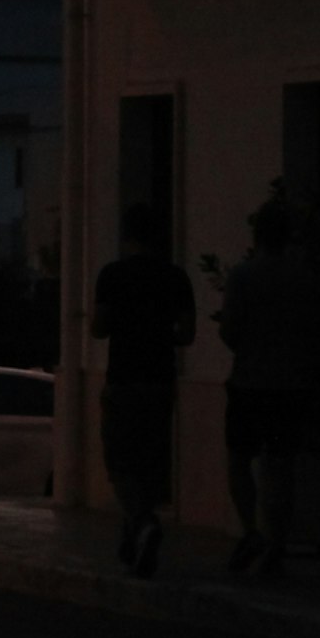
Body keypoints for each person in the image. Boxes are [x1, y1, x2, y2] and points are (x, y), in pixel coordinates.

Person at [217, 201, 320, 577]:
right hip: (290, 384)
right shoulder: (303, 278)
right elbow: (314, 330)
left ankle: (251, 530)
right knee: (281, 466)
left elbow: (229, 329)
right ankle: (277, 542)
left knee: (239, 460)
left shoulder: (243, 277)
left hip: (249, 382)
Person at [90, 202, 193, 576]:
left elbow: (99, 327)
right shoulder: (176, 277)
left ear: (127, 234)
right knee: (151, 458)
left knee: (119, 460)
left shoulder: (112, 276)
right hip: (160, 379)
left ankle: (142, 520)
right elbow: (188, 332)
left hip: (124, 378)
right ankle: (135, 529)